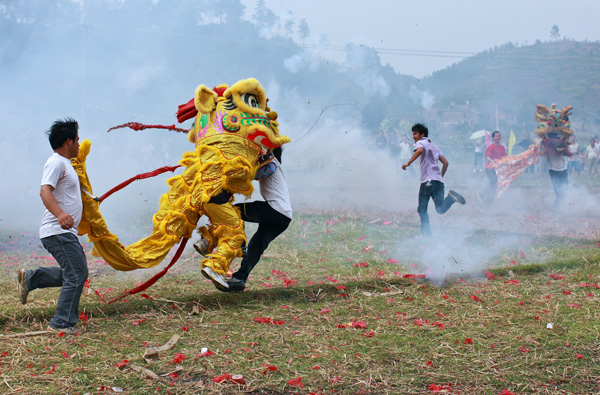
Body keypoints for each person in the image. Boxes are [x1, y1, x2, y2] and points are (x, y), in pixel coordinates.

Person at [18, 118, 88, 335]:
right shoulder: (56, 162)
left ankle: (32, 278)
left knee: (75, 272)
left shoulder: (66, 164)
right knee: (77, 274)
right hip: (57, 231)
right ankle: (61, 323)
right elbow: (44, 191)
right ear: (68, 141)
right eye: (77, 139)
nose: (79, 144)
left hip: (63, 231)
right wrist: (60, 214)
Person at [194, 147, 292, 292]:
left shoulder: (272, 163)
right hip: (284, 217)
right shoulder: (270, 162)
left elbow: (252, 174)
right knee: (256, 246)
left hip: (275, 209)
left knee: (235, 211)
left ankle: (238, 243)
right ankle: (240, 278)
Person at [402, 123, 466, 236]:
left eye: (415, 134)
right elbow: (446, 163)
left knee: (422, 209)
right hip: (438, 182)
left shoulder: (420, 143)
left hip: (427, 181)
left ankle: (426, 235)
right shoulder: (435, 147)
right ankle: (451, 198)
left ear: (422, 134)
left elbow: (420, 150)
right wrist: (439, 177)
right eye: (412, 134)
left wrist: (408, 162)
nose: (413, 136)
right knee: (440, 209)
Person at [540, 133, 569, 208]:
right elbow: (541, 145)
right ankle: (558, 205)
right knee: (557, 189)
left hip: (563, 169)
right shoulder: (546, 146)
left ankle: (563, 204)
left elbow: (567, 141)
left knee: (565, 188)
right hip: (553, 170)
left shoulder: (562, 145)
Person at [480, 131, 506, 203]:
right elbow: (487, 157)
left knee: (495, 185)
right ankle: (482, 193)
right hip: (490, 168)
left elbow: (505, 157)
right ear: (493, 138)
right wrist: (493, 161)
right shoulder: (490, 147)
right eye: (497, 136)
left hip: (497, 169)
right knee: (493, 182)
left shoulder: (502, 148)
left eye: (499, 136)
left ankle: (488, 201)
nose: (498, 137)